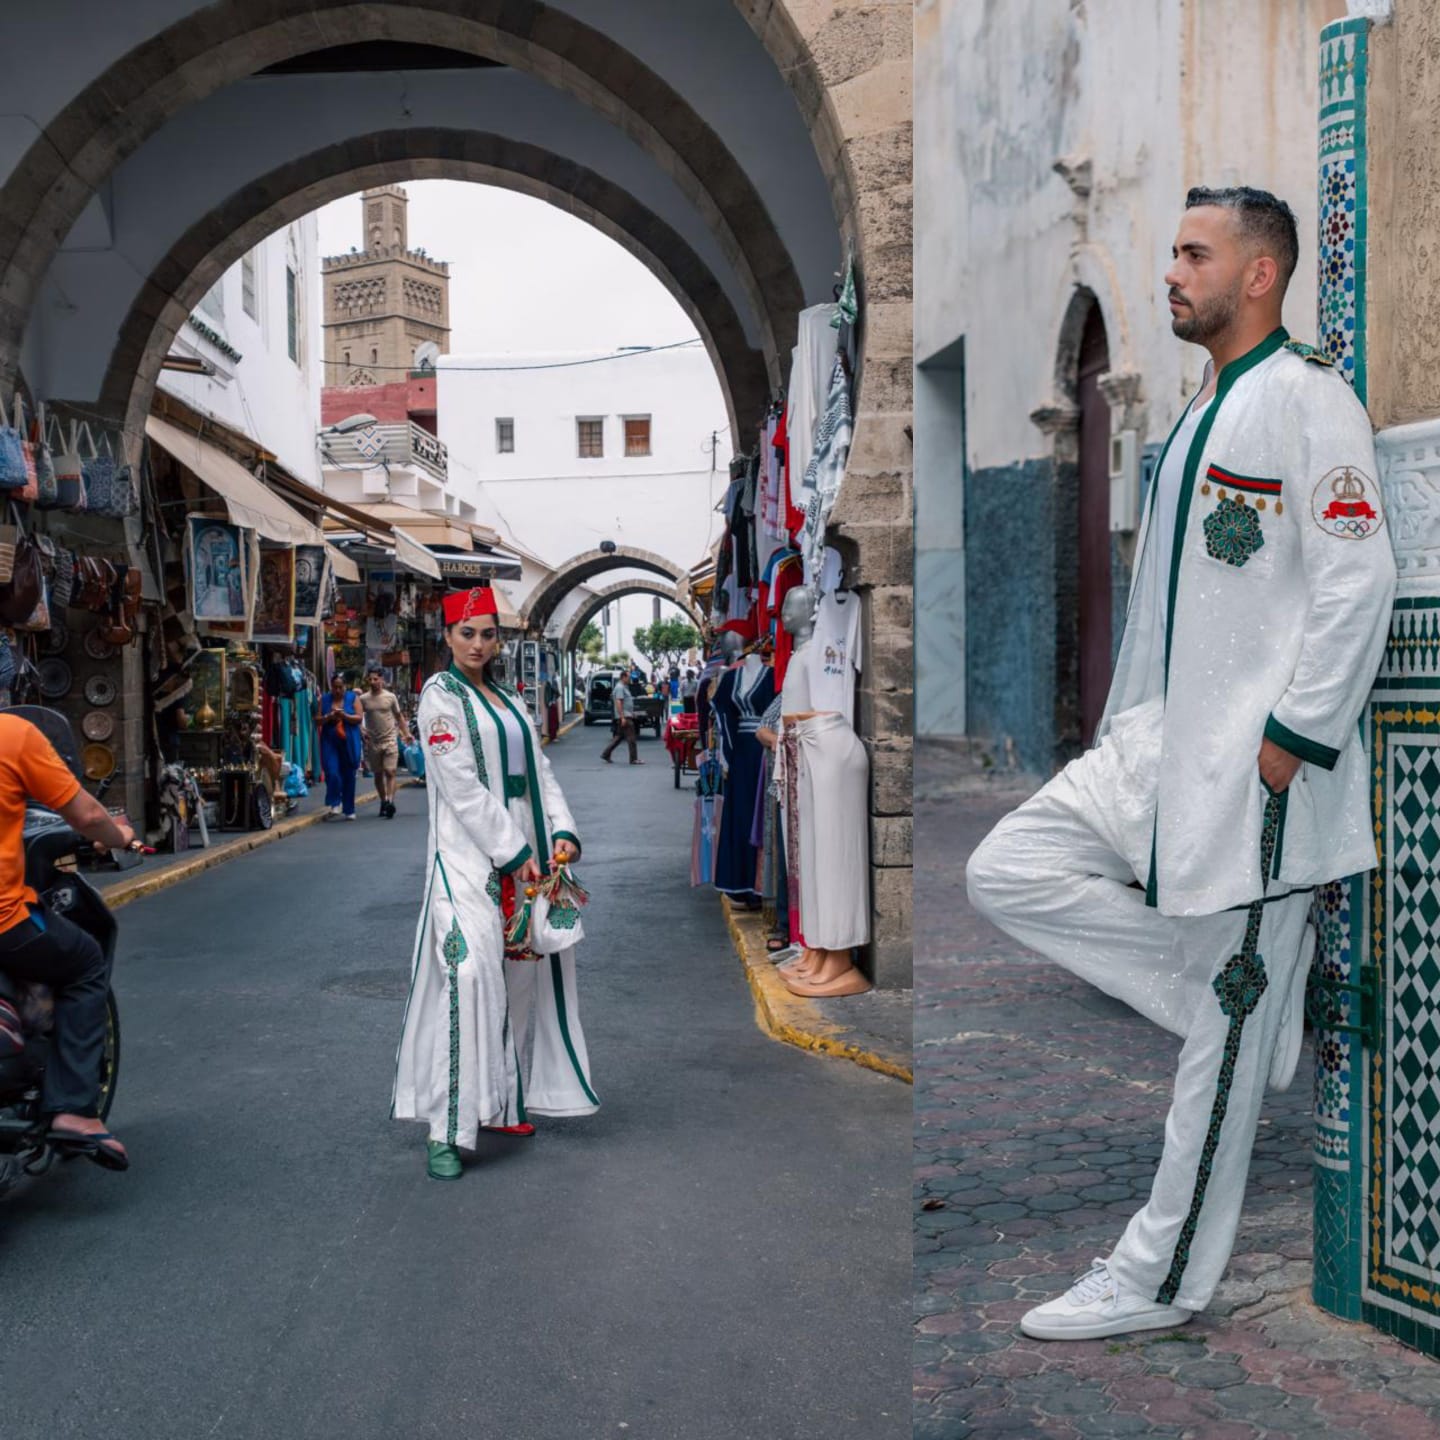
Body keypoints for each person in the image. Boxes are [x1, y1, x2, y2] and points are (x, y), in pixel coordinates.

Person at [966, 187, 1397, 1341]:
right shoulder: (1202, 410)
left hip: (1257, 786)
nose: (1171, 271)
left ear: (1259, 273)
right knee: (1005, 869)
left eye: (1193, 254)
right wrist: (1131, 729)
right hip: (1153, 759)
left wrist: (1292, 740)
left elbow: (1360, 576)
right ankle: (1247, 1016)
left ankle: (1159, 1277)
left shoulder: (1309, 403)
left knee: (1221, 1051)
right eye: (1170, 252)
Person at [392, 586, 597, 1181]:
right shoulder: (439, 697)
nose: (478, 644)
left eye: (487, 633)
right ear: (448, 637)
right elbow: (459, 787)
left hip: (527, 860)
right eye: (467, 634)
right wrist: (513, 851)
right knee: (467, 976)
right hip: (464, 864)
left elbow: (541, 772)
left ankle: (501, 1103)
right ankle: (445, 1130)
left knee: (520, 980)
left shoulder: (509, 698)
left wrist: (562, 831)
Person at [0, 713, 137, 1170]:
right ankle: (74, 1111)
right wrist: (118, 835)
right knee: (84, 963)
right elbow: (86, 814)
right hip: (5, 923)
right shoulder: (13, 735)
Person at [360, 668, 413, 819]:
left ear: (382, 680)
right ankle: (383, 800)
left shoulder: (390, 697)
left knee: (390, 771)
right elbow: (357, 716)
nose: (372, 682)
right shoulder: (363, 699)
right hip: (373, 741)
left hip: (390, 738)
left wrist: (406, 733)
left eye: (375, 679)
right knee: (378, 774)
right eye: (370, 679)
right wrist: (361, 729)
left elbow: (399, 716)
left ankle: (390, 801)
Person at [315, 672, 364, 820]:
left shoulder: (353, 698)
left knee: (349, 774)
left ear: (345, 687)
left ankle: (349, 809)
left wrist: (345, 716)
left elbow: (359, 717)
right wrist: (327, 717)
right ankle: (335, 802)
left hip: (349, 739)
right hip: (330, 740)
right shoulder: (323, 700)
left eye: (340, 687)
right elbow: (317, 720)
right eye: (335, 687)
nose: (337, 690)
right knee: (332, 771)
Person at [601, 671, 642, 765]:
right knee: (631, 738)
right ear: (623, 677)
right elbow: (619, 702)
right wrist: (622, 717)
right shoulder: (620, 687)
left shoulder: (623, 687)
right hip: (625, 717)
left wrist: (631, 713)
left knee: (619, 737)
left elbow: (626, 702)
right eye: (628, 677)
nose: (630, 679)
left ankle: (606, 754)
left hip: (626, 715)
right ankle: (633, 759)